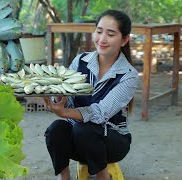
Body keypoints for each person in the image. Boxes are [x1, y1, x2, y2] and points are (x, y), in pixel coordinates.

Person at [43, 9, 139, 180]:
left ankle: (102, 175)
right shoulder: (80, 61)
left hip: (112, 143)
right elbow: (68, 101)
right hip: (80, 142)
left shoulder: (128, 75)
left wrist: (64, 112)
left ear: (124, 40)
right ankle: (63, 176)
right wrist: (57, 92)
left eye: (110, 34)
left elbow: (100, 114)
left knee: (85, 129)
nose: (102, 39)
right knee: (55, 130)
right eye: (99, 31)